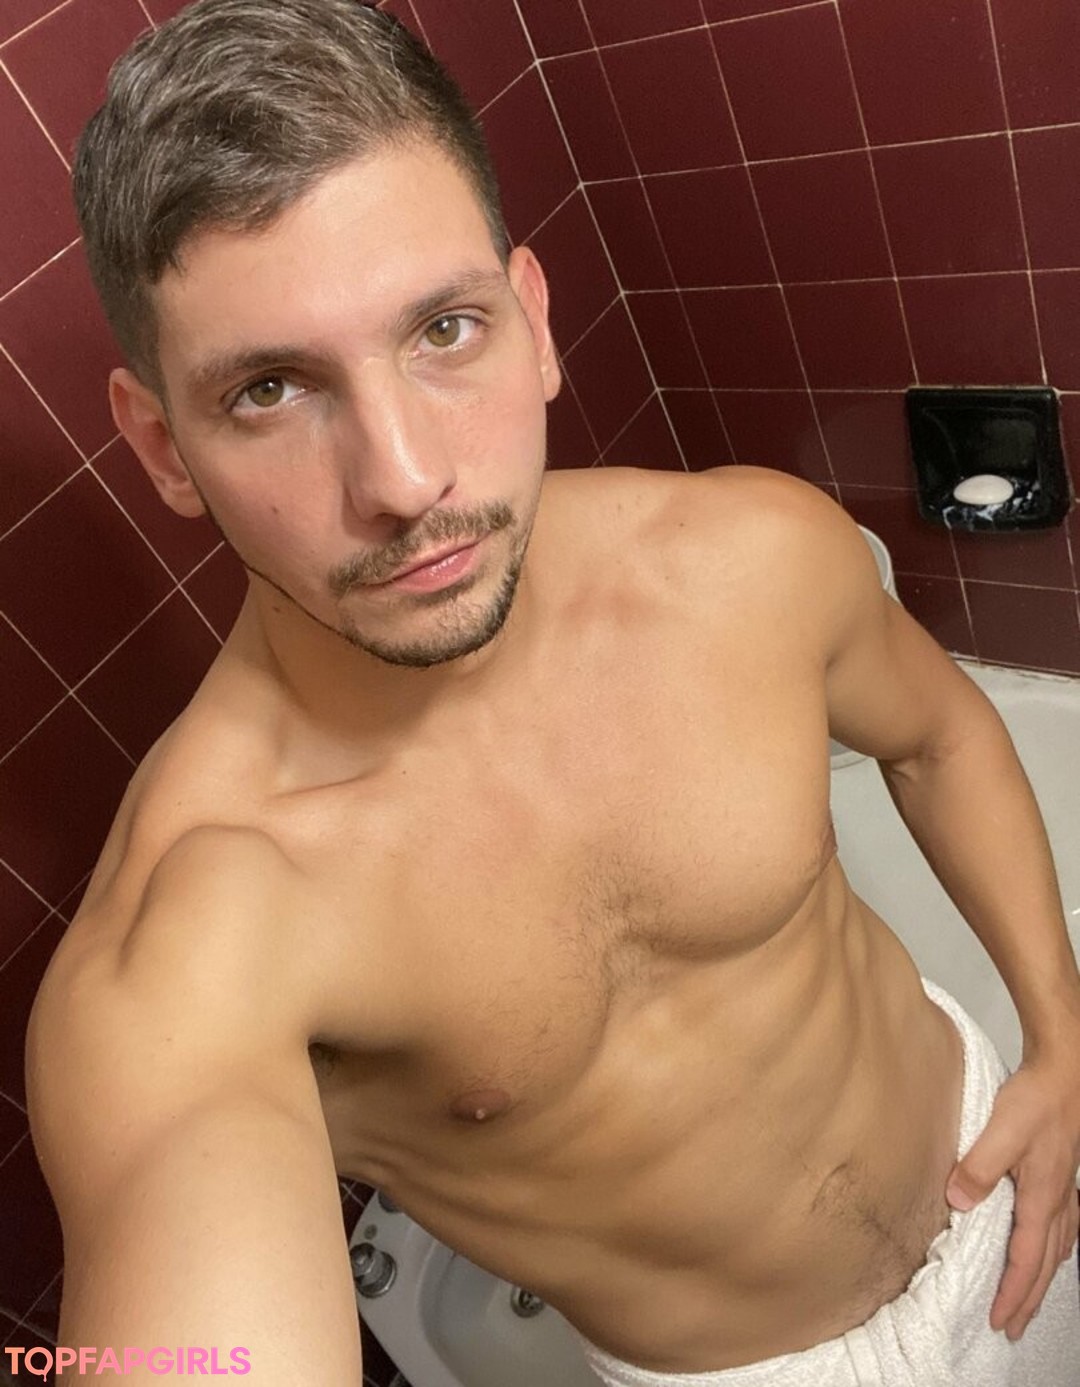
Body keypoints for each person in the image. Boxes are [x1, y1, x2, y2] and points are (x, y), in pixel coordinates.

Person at [26, 2, 1080, 1383]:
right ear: (165, 446)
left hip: (1000, 1166)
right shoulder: (194, 942)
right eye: (272, 388)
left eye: (444, 328)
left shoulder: (744, 561)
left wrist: (1060, 1045)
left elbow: (940, 738)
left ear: (532, 322)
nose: (405, 478)